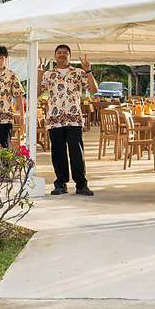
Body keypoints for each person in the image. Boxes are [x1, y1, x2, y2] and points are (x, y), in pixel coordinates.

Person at [37, 45, 98, 196]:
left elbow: (94, 89)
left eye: (65, 53)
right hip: (54, 119)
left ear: (70, 56)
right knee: (58, 152)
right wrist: (39, 73)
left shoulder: (78, 73)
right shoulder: (49, 74)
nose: (62, 55)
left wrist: (88, 71)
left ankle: (81, 184)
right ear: (55, 55)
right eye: (59, 53)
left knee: (76, 151)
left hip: (74, 119)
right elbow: (37, 92)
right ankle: (60, 183)